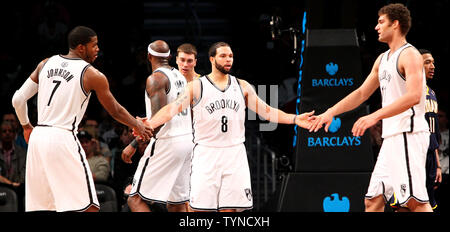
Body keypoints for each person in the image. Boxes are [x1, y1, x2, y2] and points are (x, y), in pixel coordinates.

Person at [140, 41, 315, 212]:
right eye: (223, 56)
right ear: (211, 59)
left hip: (234, 154)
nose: (228, 59)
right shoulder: (197, 86)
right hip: (206, 154)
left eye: (230, 56)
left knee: (230, 210)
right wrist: (149, 123)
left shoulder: (242, 86)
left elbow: (268, 112)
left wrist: (295, 119)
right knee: (199, 210)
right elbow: (172, 109)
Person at [11, 25, 153, 212]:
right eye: (94, 45)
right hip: (62, 137)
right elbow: (115, 110)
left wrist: (26, 126)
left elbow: (18, 99)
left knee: (44, 207)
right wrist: (138, 125)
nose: (97, 49)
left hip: (38, 137)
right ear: (81, 47)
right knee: (88, 206)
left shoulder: (45, 63)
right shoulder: (91, 74)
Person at [310, 3, 432, 212]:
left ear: (395, 24)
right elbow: (361, 93)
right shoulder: (382, 59)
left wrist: (374, 116)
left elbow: (414, 96)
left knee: (414, 203)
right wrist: (331, 111)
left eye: (381, 21)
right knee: (373, 200)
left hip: (408, 134)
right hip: (392, 137)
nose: (376, 27)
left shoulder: (409, 55)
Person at [126, 40, 195, 212]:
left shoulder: (155, 79)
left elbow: (157, 122)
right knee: (177, 203)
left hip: (168, 142)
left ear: (148, 56)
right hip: (187, 140)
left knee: (134, 200)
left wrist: (134, 142)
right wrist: (147, 119)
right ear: (170, 57)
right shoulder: (181, 76)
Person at [419, 49, 442, 211]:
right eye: (427, 62)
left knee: (428, 202)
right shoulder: (408, 91)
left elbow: (434, 134)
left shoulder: (432, 93)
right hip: (415, 154)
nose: (432, 66)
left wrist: (438, 165)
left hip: (430, 157)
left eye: (433, 62)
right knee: (408, 203)